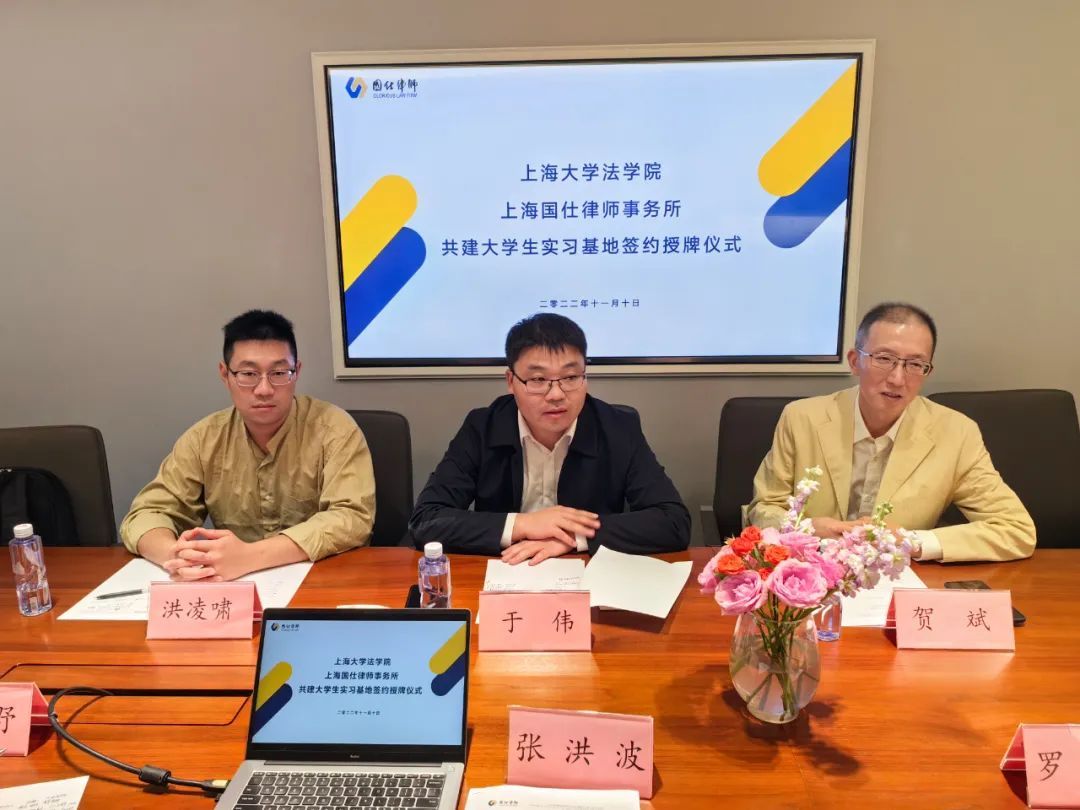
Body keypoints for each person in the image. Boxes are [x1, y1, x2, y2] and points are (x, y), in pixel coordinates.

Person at [748, 302, 1035, 562]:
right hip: (813, 575)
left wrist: (912, 542)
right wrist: (808, 529)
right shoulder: (802, 418)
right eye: (884, 359)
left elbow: (1015, 529)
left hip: (899, 578)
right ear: (855, 361)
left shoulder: (956, 433)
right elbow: (763, 509)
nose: (898, 379)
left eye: (915, 364)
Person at [409, 313, 690, 564]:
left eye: (570, 377)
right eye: (538, 380)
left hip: (587, 572)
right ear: (511, 382)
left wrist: (573, 536)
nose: (556, 394)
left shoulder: (617, 428)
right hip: (505, 568)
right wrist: (523, 525)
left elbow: (673, 522)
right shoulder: (482, 427)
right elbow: (426, 520)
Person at [120, 310, 375, 580]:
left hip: (321, 581)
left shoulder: (334, 429)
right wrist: (175, 556)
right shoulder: (203, 439)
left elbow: (352, 517)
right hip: (230, 583)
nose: (264, 389)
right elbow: (147, 513)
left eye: (279, 372)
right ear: (225, 374)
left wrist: (251, 556)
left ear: (297, 372)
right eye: (248, 374)